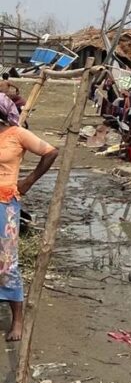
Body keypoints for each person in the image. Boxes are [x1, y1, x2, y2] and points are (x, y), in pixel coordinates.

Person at [0, 95, 58, 341]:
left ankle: (18, 320)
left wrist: (28, 181)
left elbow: (51, 152)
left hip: (6, 204)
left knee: (5, 262)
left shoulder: (17, 134)